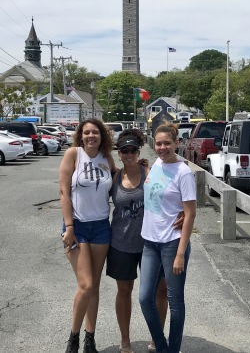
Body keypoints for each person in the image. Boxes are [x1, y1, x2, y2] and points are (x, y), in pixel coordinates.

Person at [106, 128, 183, 353]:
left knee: (160, 291)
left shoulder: (150, 170)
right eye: (124, 150)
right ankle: (125, 340)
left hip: (152, 242)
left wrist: (184, 212)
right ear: (119, 153)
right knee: (124, 291)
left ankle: (155, 338)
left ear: (138, 151)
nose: (128, 154)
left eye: (132, 150)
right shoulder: (114, 177)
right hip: (121, 242)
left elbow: (170, 193)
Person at [59, 118, 116, 353]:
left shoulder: (106, 158)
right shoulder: (74, 154)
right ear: (80, 136)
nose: (91, 136)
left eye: (95, 132)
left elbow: (123, 180)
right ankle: (73, 337)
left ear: (102, 136)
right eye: (86, 133)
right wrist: (69, 226)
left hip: (102, 226)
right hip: (78, 227)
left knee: (95, 287)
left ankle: (89, 339)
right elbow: (63, 191)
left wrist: (144, 168)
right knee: (86, 285)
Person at [139, 122, 197, 353]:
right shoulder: (157, 164)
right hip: (150, 242)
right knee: (145, 298)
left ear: (177, 143)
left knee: (175, 302)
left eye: (167, 143)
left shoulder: (183, 172)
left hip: (173, 244)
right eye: (159, 143)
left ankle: (173, 349)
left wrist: (181, 253)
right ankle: (162, 347)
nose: (162, 147)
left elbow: (191, 213)